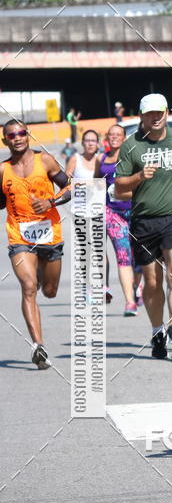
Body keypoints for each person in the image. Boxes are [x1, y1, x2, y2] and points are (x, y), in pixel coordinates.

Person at [115, 93, 172, 360]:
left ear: (167, 113)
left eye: (160, 112)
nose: (156, 117)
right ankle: (157, 331)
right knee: (152, 282)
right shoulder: (131, 146)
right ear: (141, 116)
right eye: (150, 113)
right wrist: (139, 176)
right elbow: (119, 186)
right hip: (144, 220)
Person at [0, 120, 71, 369]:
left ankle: (39, 272)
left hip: (49, 236)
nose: (17, 138)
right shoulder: (3, 170)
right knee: (29, 286)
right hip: (19, 237)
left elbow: (70, 186)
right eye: (12, 135)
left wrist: (51, 202)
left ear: (28, 134)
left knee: (49, 291)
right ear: (5, 140)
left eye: (21, 133)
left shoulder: (46, 160)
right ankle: (38, 346)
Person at [95, 123, 142, 316]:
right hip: (113, 213)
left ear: (124, 138)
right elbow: (96, 183)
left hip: (136, 211)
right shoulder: (101, 159)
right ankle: (130, 302)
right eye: (111, 134)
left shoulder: (133, 156)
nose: (114, 137)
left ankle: (136, 285)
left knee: (139, 258)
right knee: (123, 256)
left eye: (118, 134)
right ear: (107, 137)